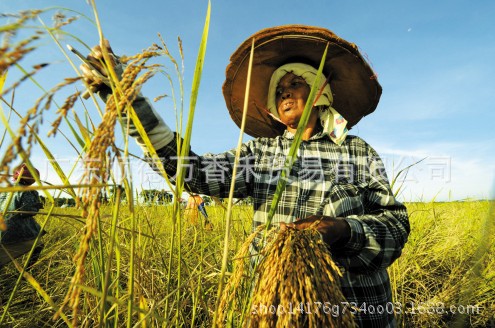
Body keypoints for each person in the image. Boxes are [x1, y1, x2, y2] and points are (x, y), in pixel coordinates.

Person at [81, 25, 410, 327]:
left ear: (320, 92)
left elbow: (395, 226)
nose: (284, 91)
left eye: (295, 82)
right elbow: (192, 171)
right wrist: (126, 98)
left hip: (360, 311)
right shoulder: (261, 155)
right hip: (282, 310)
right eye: (278, 88)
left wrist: (342, 230)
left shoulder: (357, 152)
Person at [0, 163, 45, 269]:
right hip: (14, 230)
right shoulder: (26, 191)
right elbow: (27, 211)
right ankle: (25, 273)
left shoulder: (6, 188)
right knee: (38, 245)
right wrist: (37, 206)